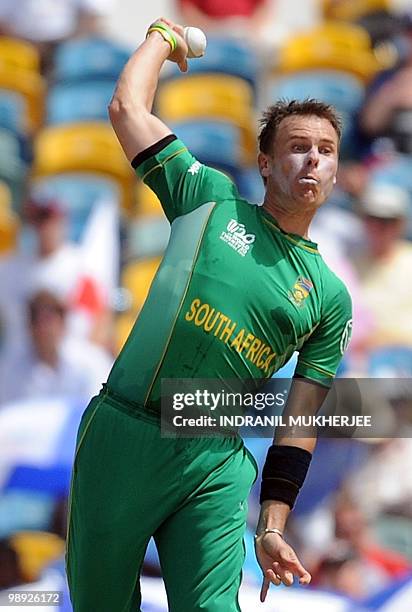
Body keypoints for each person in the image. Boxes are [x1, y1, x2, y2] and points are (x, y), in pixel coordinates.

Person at [65, 17, 352, 611]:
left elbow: (299, 422)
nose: (312, 162)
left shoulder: (328, 297)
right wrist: (160, 40)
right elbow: (126, 108)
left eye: (325, 152)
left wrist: (272, 524)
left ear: (335, 170)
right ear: (266, 163)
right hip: (125, 432)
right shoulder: (209, 201)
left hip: (213, 458)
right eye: (297, 147)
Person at [0, 289, 113, 405]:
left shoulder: (92, 362)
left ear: (63, 321)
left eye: (49, 318)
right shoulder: (10, 367)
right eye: (35, 318)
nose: (42, 327)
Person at [351, 182, 412, 347]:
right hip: (358, 358)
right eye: (373, 219)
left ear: (401, 224)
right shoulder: (350, 262)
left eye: (387, 221)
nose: (378, 227)